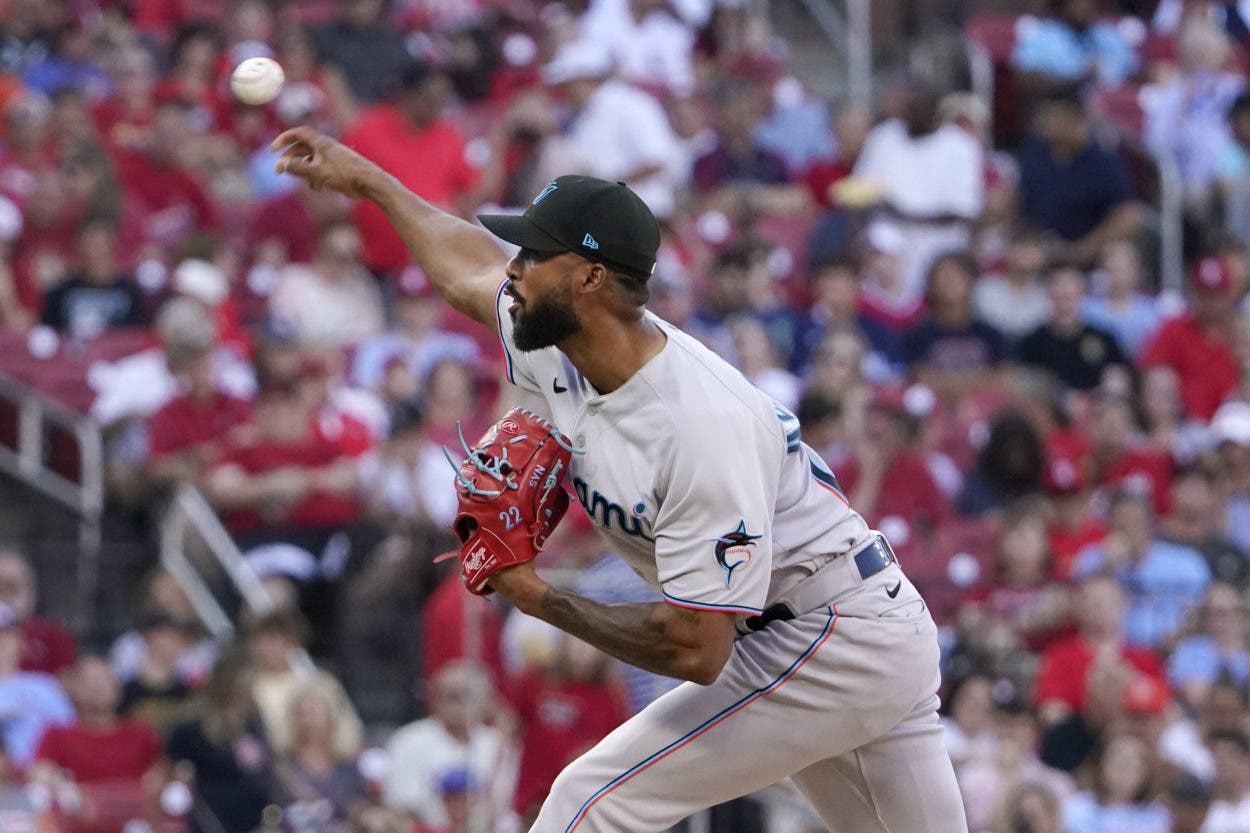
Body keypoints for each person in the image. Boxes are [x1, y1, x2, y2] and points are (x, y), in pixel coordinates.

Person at [272, 124, 967, 833]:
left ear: (590, 277)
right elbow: (467, 268)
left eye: (536, 253)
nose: (516, 268)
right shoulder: (558, 336)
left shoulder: (699, 424)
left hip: (828, 629)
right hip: (832, 624)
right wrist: (370, 181)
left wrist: (538, 598)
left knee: (590, 802)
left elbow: (696, 650)